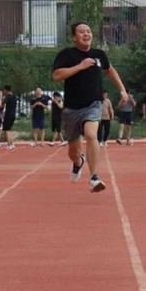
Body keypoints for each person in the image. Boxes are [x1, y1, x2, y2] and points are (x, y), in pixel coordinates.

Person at [52, 21, 128, 193]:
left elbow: (110, 71)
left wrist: (122, 89)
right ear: (74, 37)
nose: (86, 34)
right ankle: (78, 162)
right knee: (73, 152)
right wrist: (80, 66)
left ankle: (94, 177)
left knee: (91, 135)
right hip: (71, 109)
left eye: (88, 31)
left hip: (93, 104)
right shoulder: (67, 54)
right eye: (81, 31)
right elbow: (56, 75)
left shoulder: (99, 54)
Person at [1, 85, 18, 150]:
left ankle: (9, 145)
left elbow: (3, 103)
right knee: (9, 130)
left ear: (6, 90)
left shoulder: (8, 96)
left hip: (8, 114)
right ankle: (12, 144)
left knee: (6, 130)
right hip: (13, 114)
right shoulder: (14, 96)